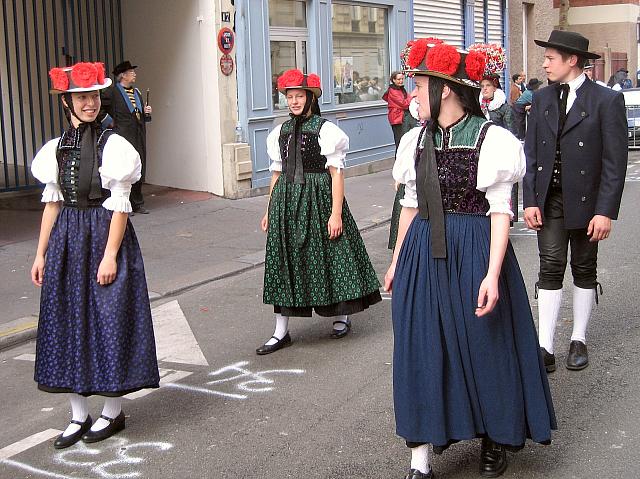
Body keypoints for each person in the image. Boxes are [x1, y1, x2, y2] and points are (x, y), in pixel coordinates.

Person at [386, 38, 556, 479]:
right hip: (424, 249)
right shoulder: (414, 142)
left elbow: (501, 210)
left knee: (485, 345)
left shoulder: (490, 138)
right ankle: (420, 454)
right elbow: (409, 204)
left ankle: (494, 436)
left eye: (419, 86)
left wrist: (493, 274)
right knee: (422, 346)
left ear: (445, 89)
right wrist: (396, 260)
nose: (413, 95)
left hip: (475, 246)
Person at [30, 62, 160, 449]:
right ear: (66, 102)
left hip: (104, 234)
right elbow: (52, 205)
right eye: (80, 97)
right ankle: (77, 414)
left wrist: (110, 256)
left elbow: (120, 207)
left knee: (108, 322)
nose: (89, 103)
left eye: (92, 96)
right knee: (66, 322)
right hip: (68, 241)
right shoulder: (55, 149)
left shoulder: (115, 145)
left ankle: (112, 410)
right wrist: (40, 254)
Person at [523, 30, 627, 373]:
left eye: (550, 58)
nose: (544, 63)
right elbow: (531, 152)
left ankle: (578, 339)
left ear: (572, 60)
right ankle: (544, 346)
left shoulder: (606, 101)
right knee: (550, 266)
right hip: (549, 198)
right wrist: (529, 200)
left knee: (584, 268)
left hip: (587, 202)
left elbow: (615, 162)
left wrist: (605, 211)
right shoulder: (541, 99)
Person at [257, 69, 382, 355]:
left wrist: (336, 213)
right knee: (284, 261)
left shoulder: (326, 130)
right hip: (286, 202)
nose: (294, 101)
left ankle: (341, 314)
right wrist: (268, 209)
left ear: (311, 98)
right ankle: (280, 331)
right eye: (290, 97)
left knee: (330, 254)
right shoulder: (279, 133)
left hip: (320, 197)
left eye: (299, 96)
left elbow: (336, 174)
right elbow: (276, 175)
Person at [100, 60, 152, 215]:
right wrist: (110, 123)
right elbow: (100, 108)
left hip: (137, 134)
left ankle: (137, 202)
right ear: (123, 75)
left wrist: (146, 112)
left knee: (138, 166)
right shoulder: (111, 92)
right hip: (122, 135)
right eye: (131, 72)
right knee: (123, 169)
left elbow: (140, 115)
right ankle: (124, 202)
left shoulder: (137, 92)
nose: (134, 74)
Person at [382, 71, 414, 149]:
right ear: (393, 80)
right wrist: (411, 96)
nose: (401, 81)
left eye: (402, 79)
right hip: (398, 118)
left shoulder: (400, 89)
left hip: (401, 117)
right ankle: (399, 160)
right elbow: (404, 104)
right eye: (399, 79)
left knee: (404, 141)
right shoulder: (393, 91)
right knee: (400, 142)